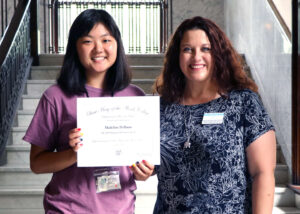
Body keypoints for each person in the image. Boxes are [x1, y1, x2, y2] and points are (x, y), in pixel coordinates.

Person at [23, 9, 153, 213]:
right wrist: (74, 154)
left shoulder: (135, 97)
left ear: (117, 44)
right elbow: (37, 164)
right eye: (87, 41)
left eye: (106, 40)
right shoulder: (55, 97)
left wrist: (144, 172)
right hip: (67, 209)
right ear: (75, 47)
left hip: (120, 209)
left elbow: (140, 163)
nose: (98, 49)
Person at [152, 16, 276, 213]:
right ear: (177, 56)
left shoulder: (243, 102)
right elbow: (150, 164)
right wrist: (142, 169)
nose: (196, 57)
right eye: (187, 49)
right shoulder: (161, 108)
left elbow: (263, 174)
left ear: (218, 53)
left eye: (205, 49)